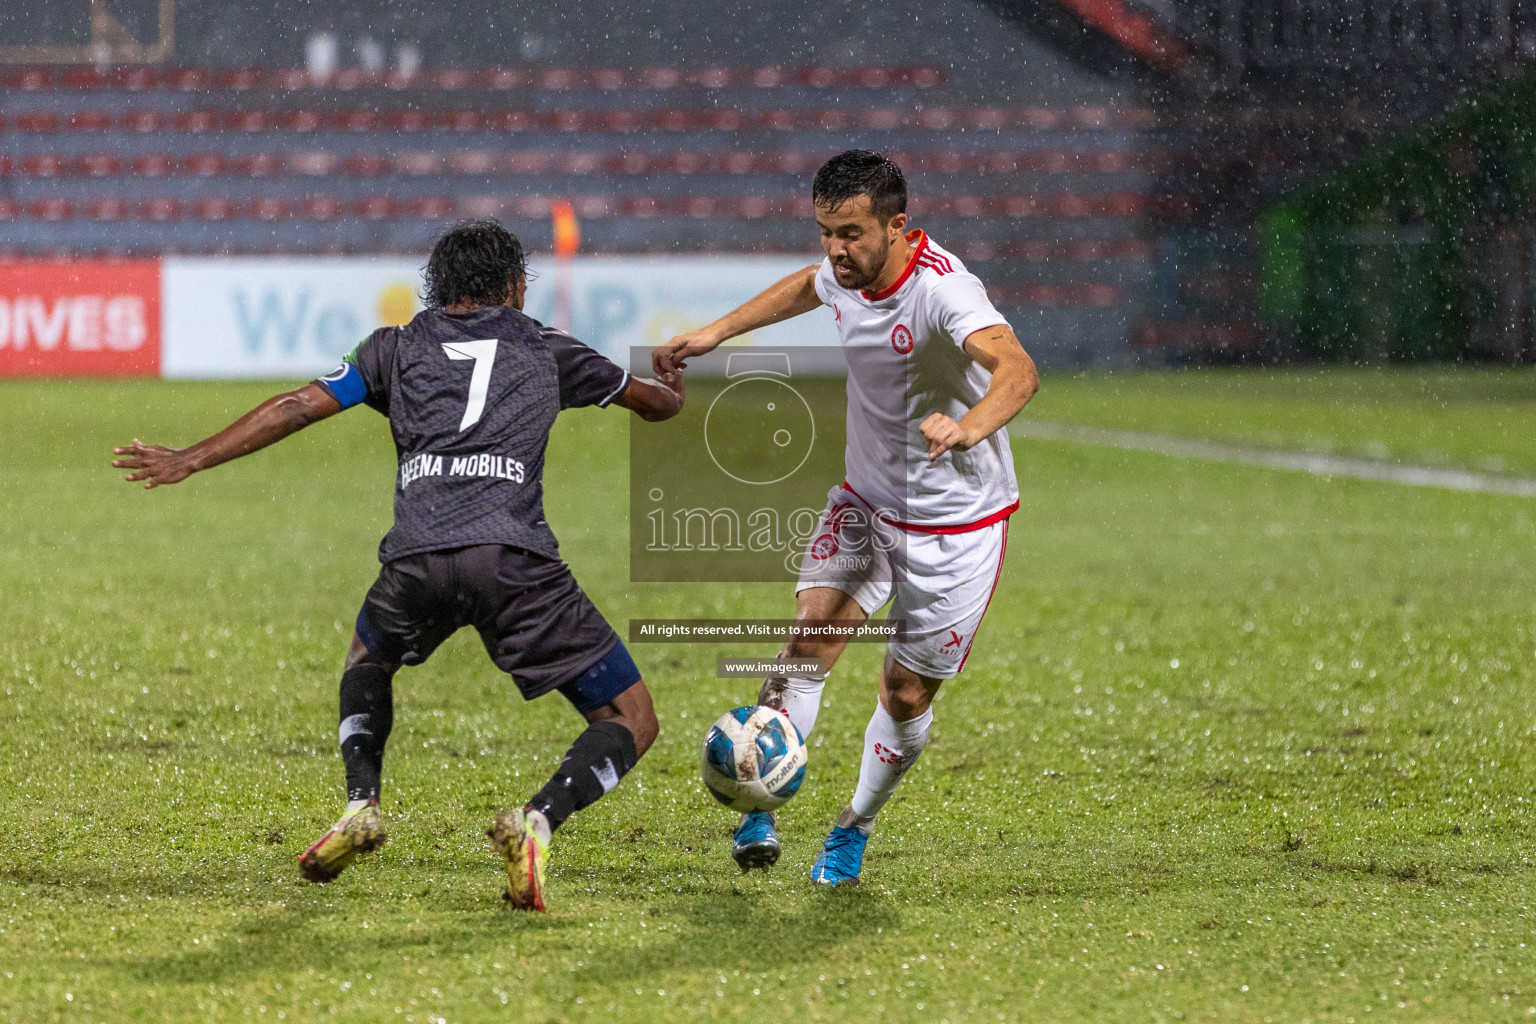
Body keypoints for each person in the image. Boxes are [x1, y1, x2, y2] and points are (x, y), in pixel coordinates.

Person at [113, 219, 684, 911]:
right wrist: (667, 384)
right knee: (632, 716)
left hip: (417, 557)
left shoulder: (394, 347)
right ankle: (537, 820)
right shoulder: (548, 348)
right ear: (514, 287)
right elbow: (657, 407)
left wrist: (191, 457)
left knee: (367, 658)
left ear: (437, 287)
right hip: (514, 559)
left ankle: (361, 804)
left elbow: (297, 406)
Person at [654, 151, 1038, 886]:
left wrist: (968, 427)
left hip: (955, 526)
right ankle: (759, 805)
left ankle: (852, 828)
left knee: (904, 693)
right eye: (826, 230)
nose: (837, 249)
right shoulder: (842, 267)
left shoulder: (944, 294)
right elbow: (809, 284)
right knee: (807, 645)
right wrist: (716, 333)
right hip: (865, 503)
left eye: (853, 233)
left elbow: (1017, 367)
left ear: (898, 226)